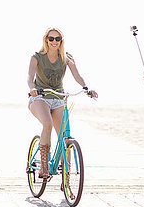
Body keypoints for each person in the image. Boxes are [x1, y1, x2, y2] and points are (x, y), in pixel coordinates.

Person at [27, 27, 97, 178]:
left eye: (57, 39)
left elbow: (77, 76)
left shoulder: (66, 57)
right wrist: (32, 88)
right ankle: (44, 166)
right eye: (51, 39)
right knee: (48, 124)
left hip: (58, 97)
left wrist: (86, 88)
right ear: (46, 40)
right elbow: (29, 77)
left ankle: (67, 176)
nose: (54, 42)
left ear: (61, 41)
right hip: (40, 97)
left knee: (64, 136)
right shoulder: (37, 57)